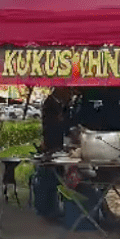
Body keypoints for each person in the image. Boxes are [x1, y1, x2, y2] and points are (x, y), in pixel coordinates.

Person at [34, 87, 75, 221]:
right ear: (61, 91)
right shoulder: (50, 104)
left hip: (57, 144)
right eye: (69, 92)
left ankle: (53, 207)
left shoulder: (59, 104)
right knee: (50, 177)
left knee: (56, 177)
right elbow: (57, 125)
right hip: (52, 144)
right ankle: (48, 210)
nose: (70, 95)